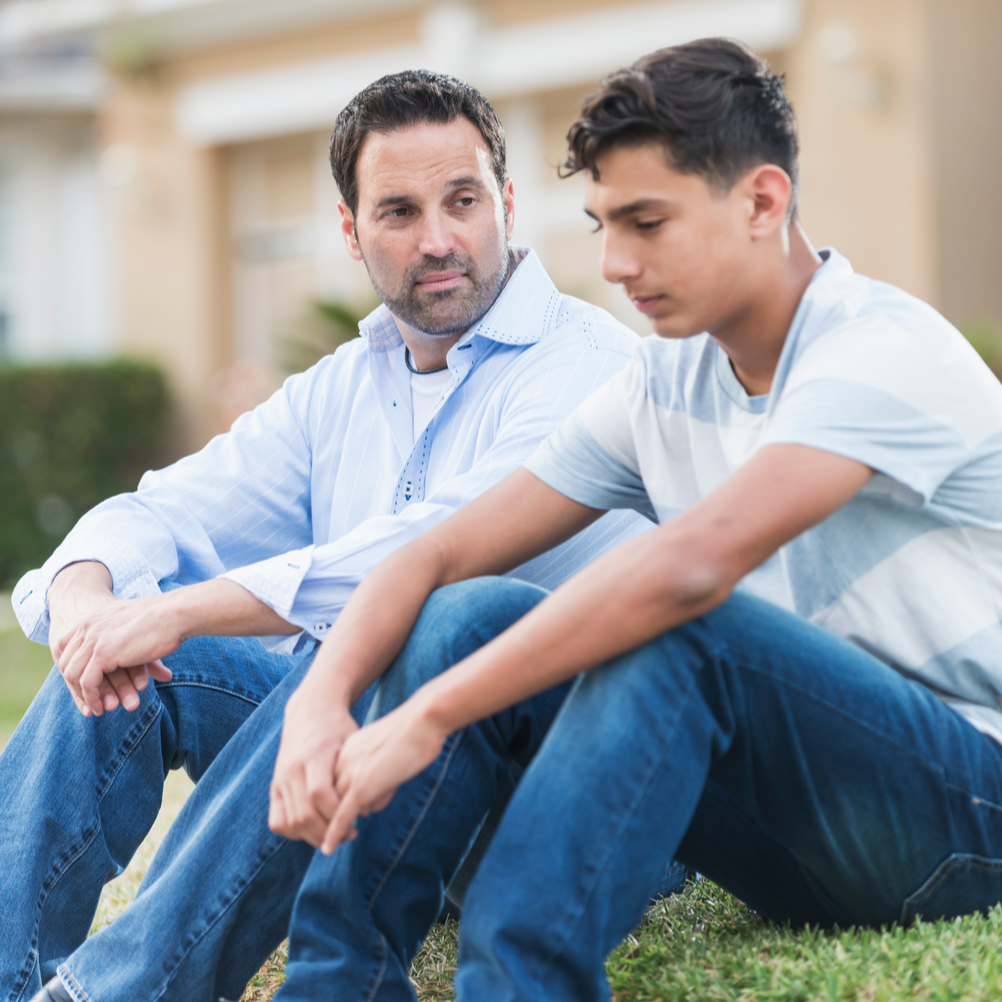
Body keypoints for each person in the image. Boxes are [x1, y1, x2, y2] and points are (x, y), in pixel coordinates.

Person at [261, 38, 1002, 1002]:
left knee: (684, 625)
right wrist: (323, 704)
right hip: (793, 840)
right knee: (467, 611)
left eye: (647, 223)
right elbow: (437, 551)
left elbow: (690, 571)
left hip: (965, 818)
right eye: (603, 224)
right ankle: (333, 984)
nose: (612, 264)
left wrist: (430, 716)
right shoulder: (662, 379)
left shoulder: (879, 351)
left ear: (762, 203)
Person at [8, 70, 655, 1002]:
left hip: (549, 795)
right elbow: (163, 510)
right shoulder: (343, 386)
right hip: (371, 780)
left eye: (462, 201)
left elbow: (421, 558)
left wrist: (178, 610)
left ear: (507, 206)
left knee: (355, 654)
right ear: (351, 231)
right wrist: (86, 599)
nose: (438, 241)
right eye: (398, 210)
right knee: (115, 671)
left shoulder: (589, 366)